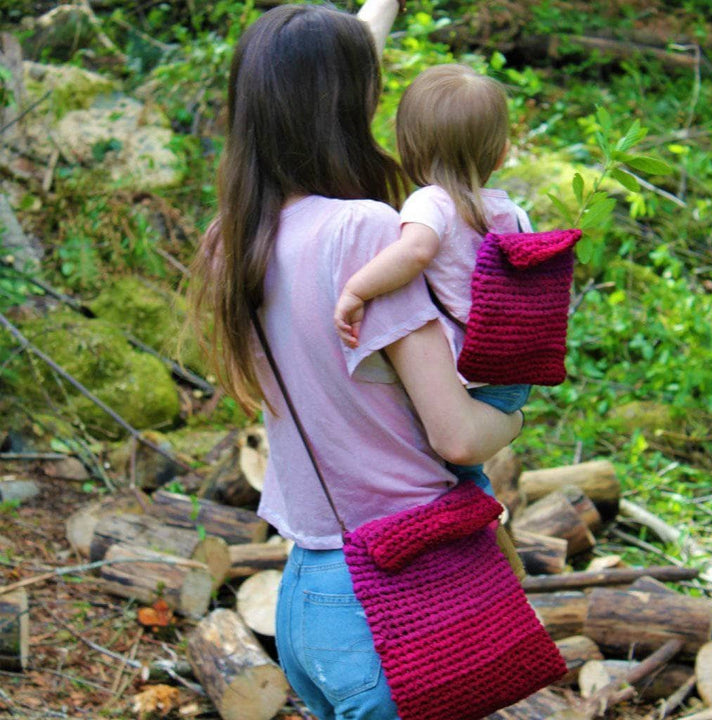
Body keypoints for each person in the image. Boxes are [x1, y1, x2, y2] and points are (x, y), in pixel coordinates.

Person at [189, 4, 523, 719]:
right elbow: (459, 436)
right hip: (399, 599)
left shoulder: (231, 241)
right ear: (352, 104)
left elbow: (303, 83)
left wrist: (377, 12)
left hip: (309, 600)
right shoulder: (365, 230)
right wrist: (515, 415)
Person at [334, 64, 532, 496]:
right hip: (513, 373)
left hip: (467, 376)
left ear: (407, 149)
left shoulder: (430, 203)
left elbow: (416, 251)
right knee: (465, 476)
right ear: (500, 154)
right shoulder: (514, 214)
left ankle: (472, 544)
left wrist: (357, 288)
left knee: (449, 481)